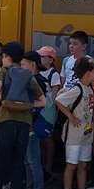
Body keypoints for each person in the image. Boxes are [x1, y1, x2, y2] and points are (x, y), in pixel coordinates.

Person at [0, 41, 45, 189]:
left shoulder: (4, 71)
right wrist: (26, 106)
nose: (2, 59)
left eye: (3, 56)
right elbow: (43, 101)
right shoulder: (28, 75)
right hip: (24, 124)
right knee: (18, 164)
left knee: (1, 163)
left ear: (7, 57)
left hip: (6, 121)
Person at [56, 57, 94, 189]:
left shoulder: (89, 89)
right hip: (74, 136)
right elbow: (59, 100)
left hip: (86, 135)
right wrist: (71, 116)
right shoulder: (77, 89)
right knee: (71, 165)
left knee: (83, 165)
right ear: (88, 72)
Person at [21, 51, 49, 189]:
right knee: (29, 161)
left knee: (33, 161)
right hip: (33, 124)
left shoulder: (35, 81)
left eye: (23, 64)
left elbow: (37, 105)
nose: (21, 67)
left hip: (32, 125)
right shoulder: (40, 79)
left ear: (32, 65)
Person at [37, 45, 62, 180]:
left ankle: (48, 167)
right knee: (39, 138)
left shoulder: (54, 74)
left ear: (51, 59)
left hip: (48, 110)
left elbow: (54, 94)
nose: (40, 58)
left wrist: (46, 104)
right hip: (38, 108)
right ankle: (40, 165)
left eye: (42, 56)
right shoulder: (38, 72)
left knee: (47, 138)